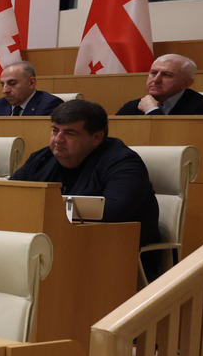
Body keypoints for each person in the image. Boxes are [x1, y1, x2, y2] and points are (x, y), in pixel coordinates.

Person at [13, 100, 165, 280]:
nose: (58, 140)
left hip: (112, 253)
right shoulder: (43, 157)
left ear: (97, 137)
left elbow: (114, 212)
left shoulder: (124, 163)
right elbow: (11, 193)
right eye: (55, 130)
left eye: (69, 133)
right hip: (56, 245)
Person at [119, 53, 203, 115]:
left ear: (186, 83)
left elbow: (170, 138)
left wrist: (152, 110)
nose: (156, 80)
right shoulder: (133, 106)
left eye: (167, 75)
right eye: (153, 73)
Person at [0, 61, 64, 117]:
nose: (5, 90)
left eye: (12, 83)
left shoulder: (51, 105)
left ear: (31, 82)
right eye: (2, 84)